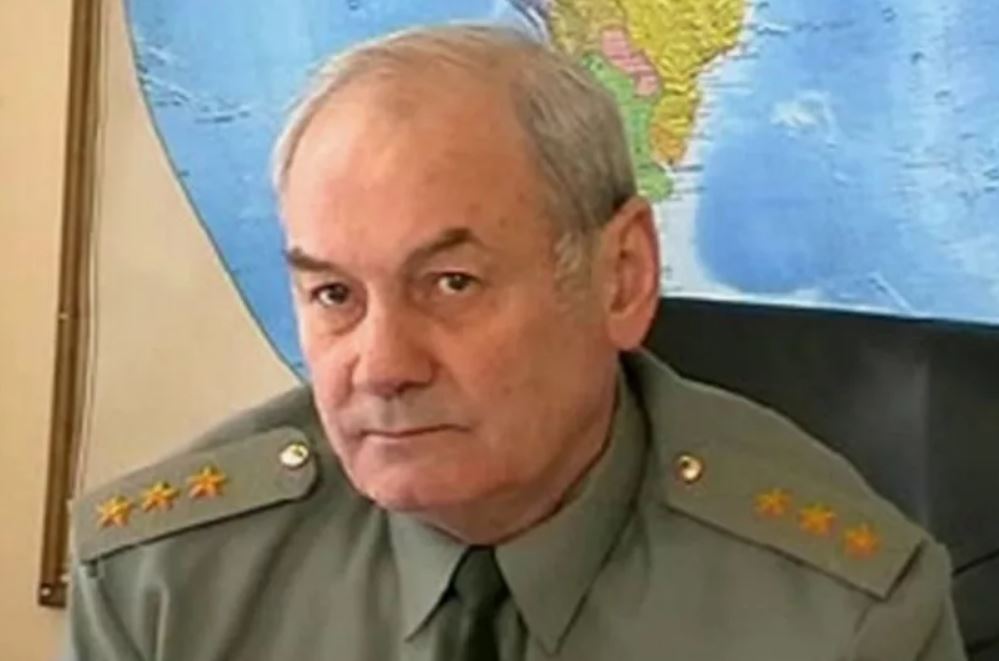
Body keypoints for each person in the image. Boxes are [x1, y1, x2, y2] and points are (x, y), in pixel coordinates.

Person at [65, 24, 967, 660]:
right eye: (334, 294)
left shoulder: (841, 614)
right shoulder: (166, 585)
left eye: (450, 283)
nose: (383, 366)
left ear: (620, 277)